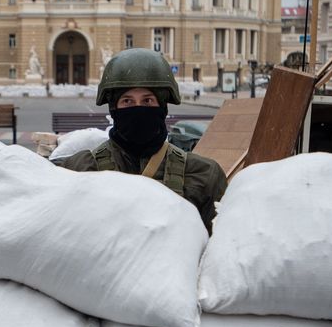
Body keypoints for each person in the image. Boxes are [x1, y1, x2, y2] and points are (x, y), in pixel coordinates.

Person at [53, 48, 227, 232]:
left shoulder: (204, 175)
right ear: (114, 109)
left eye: (147, 101)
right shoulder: (79, 170)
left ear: (162, 108)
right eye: (127, 101)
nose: (138, 109)